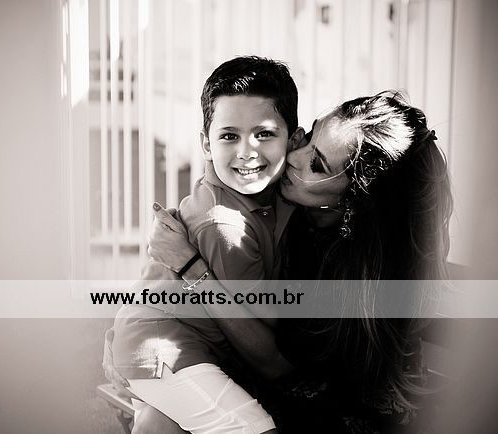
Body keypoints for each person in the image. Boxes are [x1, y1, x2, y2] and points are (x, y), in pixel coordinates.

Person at [104, 91, 452, 433]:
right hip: (266, 379)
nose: (294, 156)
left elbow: (277, 366)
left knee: (162, 420)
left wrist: (191, 268)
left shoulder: (364, 279)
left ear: (353, 205)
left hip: (334, 407)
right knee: (159, 416)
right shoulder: (292, 207)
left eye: (317, 165)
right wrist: (135, 334)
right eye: (310, 137)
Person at [110, 56, 300, 434]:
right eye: (229, 136)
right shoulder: (224, 225)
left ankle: (153, 416)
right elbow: (264, 343)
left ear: (292, 140)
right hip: (162, 348)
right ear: (206, 144)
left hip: (183, 346)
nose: (247, 151)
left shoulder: (266, 194)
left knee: (164, 424)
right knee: (254, 428)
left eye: (264, 134)